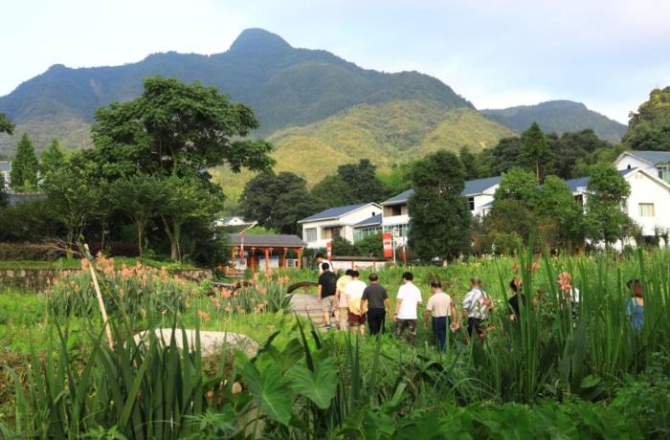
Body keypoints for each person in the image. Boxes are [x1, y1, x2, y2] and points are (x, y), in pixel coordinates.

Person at [423, 280, 458, 351]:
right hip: (447, 318)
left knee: (440, 336)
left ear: (432, 288)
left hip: (438, 320)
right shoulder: (448, 297)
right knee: (445, 335)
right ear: (440, 287)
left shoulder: (432, 298)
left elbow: (428, 312)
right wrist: (454, 320)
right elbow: (453, 308)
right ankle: (445, 350)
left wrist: (425, 322)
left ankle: (443, 352)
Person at [394, 271, 423, 346]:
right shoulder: (417, 289)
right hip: (412, 315)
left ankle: (402, 345)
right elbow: (420, 303)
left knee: (398, 333)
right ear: (412, 279)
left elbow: (399, 301)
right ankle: (410, 348)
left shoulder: (402, 288)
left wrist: (395, 313)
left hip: (402, 315)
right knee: (412, 334)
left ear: (404, 279)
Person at [345, 270, 367, 335]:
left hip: (352, 303)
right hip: (361, 303)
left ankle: (355, 336)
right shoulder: (363, 283)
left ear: (351, 276)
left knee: (353, 322)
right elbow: (366, 295)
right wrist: (365, 305)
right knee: (362, 322)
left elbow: (347, 297)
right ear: (358, 276)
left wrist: (349, 307)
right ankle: (362, 335)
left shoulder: (348, 284)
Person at [317, 263, 338, 329]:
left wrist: (319, 296)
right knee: (336, 308)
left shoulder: (322, 276)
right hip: (335, 295)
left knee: (326, 310)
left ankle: (328, 324)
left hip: (326, 295)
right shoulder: (334, 275)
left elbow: (320, 287)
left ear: (322, 268)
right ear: (328, 267)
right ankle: (337, 321)